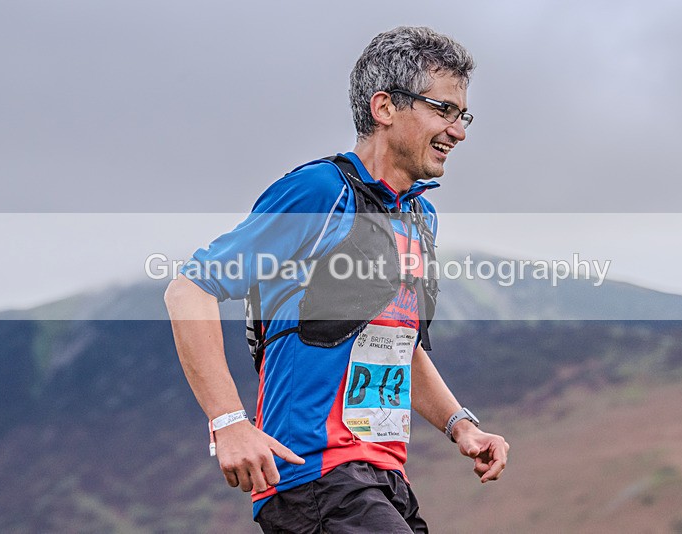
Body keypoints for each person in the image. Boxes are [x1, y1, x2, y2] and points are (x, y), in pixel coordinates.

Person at [165, 26, 509, 533]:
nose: (458, 131)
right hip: (312, 477)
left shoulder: (420, 217)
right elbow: (189, 290)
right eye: (443, 110)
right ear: (385, 107)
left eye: (463, 115)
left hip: (384, 476)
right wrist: (228, 422)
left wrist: (460, 426)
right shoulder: (320, 192)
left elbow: (397, 343)